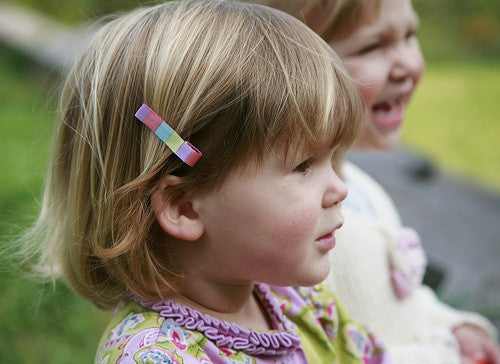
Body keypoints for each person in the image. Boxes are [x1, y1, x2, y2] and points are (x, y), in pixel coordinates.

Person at [24, 1, 392, 362]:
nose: (340, 189)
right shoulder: (155, 357)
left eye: (333, 158)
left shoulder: (299, 302)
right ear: (183, 206)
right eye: (302, 166)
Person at [254, 0, 500, 362]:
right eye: (372, 47)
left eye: (409, 35)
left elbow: (400, 301)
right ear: (294, 73)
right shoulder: (296, 231)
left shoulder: (361, 185)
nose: (409, 64)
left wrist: (453, 325)